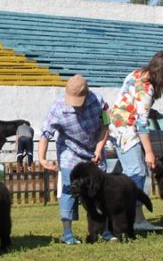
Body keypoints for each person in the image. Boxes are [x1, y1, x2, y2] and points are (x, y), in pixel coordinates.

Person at [38, 74, 114, 245]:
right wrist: (42, 158)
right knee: (69, 188)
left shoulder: (99, 102)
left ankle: (105, 229)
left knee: (100, 189)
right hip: (69, 152)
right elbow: (45, 134)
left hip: (94, 149)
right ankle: (67, 233)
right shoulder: (58, 107)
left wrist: (99, 149)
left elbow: (105, 126)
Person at [108, 50, 163, 232]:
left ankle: (114, 214)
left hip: (115, 126)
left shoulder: (136, 73)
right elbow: (141, 123)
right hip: (127, 130)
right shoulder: (147, 88)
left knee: (121, 173)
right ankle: (136, 219)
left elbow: (129, 102)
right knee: (137, 172)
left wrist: (148, 112)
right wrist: (149, 152)